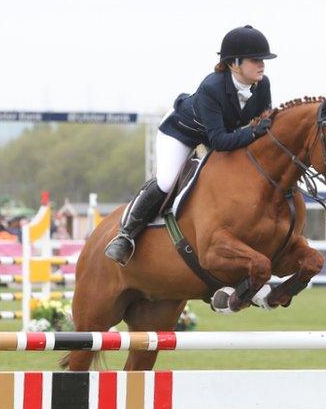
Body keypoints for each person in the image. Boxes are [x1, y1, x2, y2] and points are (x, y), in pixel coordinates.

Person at [104, 25, 276, 266]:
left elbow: (263, 122)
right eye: (255, 59)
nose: (262, 65)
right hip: (180, 133)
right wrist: (252, 132)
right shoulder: (212, 87)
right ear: (234, 63)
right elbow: (220, 140)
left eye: (263, 60)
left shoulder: (263, 84)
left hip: (218, 136)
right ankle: (126, 234)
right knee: (166, 181)